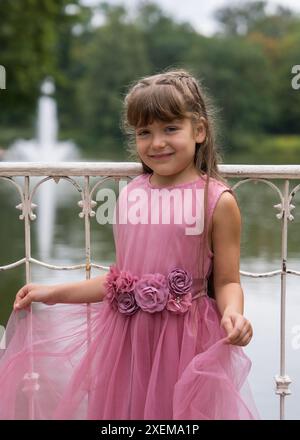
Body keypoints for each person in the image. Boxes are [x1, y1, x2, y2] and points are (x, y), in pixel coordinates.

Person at [0, 69, 259, 420]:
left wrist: (233, 312)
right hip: (128, 344)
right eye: (144, 132)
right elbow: (119, 281)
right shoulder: (131, 194)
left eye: (170, 129)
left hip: (186, 343)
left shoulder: (216, 200)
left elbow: (227, 281)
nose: (157, 143)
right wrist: (52, 293)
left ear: (198, 130)